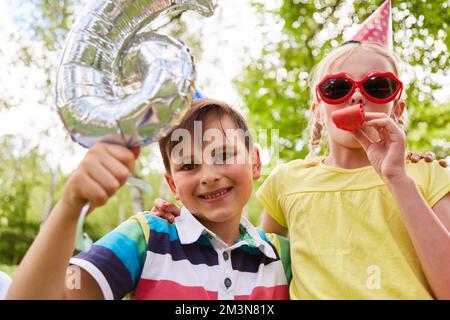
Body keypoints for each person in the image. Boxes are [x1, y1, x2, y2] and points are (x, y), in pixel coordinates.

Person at [6, 99, 290, 300]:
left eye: (224, 155)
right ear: (172, 185)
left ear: (254, 162)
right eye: (189, 166)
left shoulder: (283, 257)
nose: (209, 175)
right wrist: (70, 206)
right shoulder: (147, 236)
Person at [257, 38, 450, 299]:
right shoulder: (286, 181)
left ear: (397, 110)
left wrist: (397, 179)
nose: (357, 96)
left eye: (378, 87)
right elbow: (256, 267)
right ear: (318, 113)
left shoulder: (427, 174)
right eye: (337, 88)